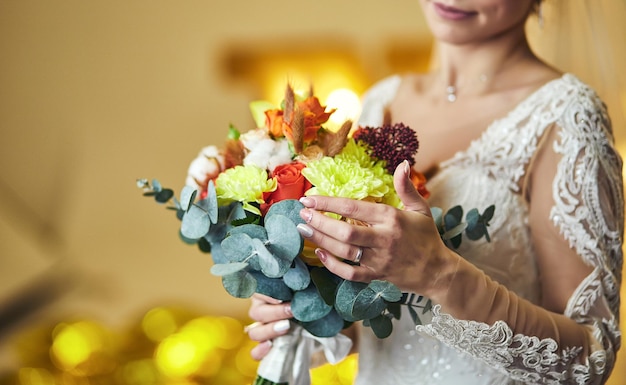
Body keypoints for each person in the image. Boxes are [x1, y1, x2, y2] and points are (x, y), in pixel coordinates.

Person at [245, 0, 624, 383]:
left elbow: (590, 359)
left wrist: (439, 274)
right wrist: (313, 315)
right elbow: (396, 324)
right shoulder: (383, 100)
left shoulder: (566, 117)